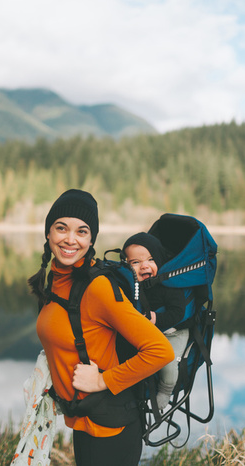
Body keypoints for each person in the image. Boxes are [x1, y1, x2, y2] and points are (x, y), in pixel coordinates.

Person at [29, 189, 174, 466]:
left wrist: (100, 381)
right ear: (48, 233)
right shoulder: (58, 280)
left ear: (91, 239)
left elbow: (160, 351)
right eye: (62, 228)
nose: (70, 239)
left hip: (111, 427)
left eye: (82, 231)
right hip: (85, 419)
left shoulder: (98, 288)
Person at [122, 232, 190, 410]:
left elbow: (178, 313)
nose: (144, 266)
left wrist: (156, 318)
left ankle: (166, 390)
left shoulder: (168, 285)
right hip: (147, 334)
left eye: (151, 260)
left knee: (167, 362)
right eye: (135, 262)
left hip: (173, 333)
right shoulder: (131, 286)